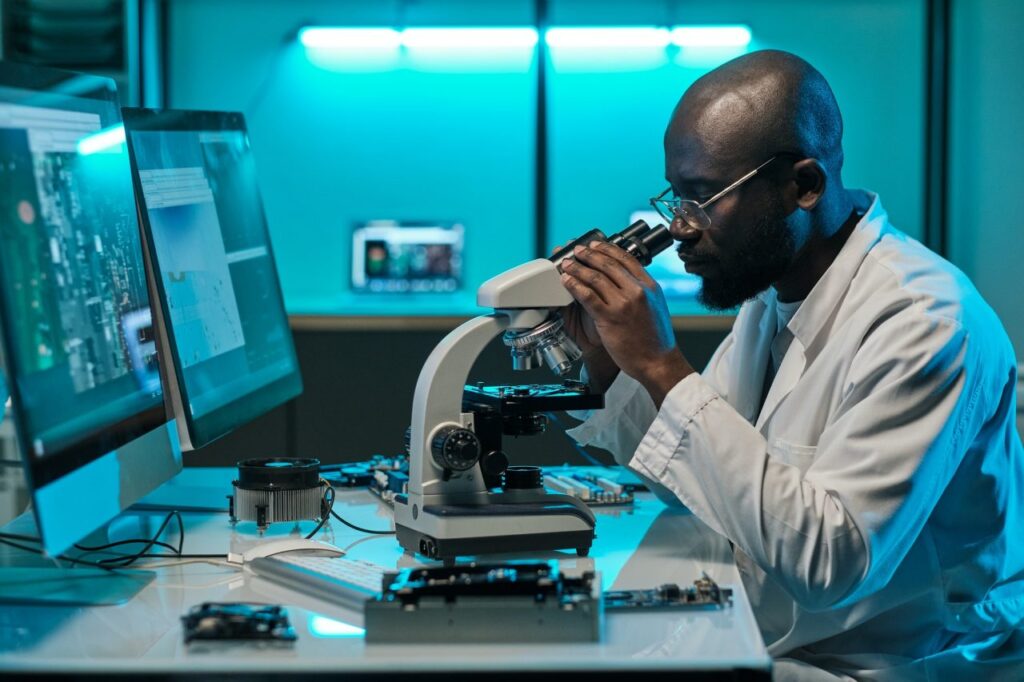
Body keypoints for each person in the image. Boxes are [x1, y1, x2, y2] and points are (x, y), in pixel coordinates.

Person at [560, 49, 1024, 679]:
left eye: (701, 199)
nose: (678, 229)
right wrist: (614, 363)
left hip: (887, 661)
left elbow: (834, 563)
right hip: (784, 636)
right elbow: (709, 485)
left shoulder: (925, 322)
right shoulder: (775, 296)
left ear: (803, 185)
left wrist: (664, 365)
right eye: (675, 197)